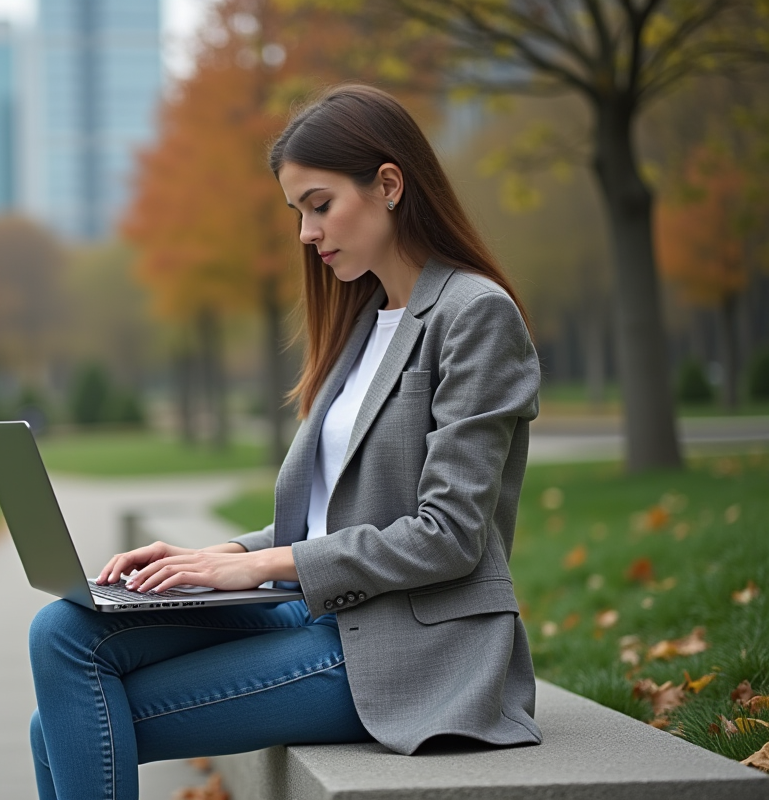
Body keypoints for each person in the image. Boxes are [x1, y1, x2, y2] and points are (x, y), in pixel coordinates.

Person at [27, 84, 543, 800]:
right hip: (323, 608)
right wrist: (219, 556)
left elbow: (450, 535)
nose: (305, 232)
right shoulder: (362, 321)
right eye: (297, 211)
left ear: (388, 185)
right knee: (60, 631)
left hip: (411, 648)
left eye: (319, 204)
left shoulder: (474, 315)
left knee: (59, 725)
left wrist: (264, 566)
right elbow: (336, 516)